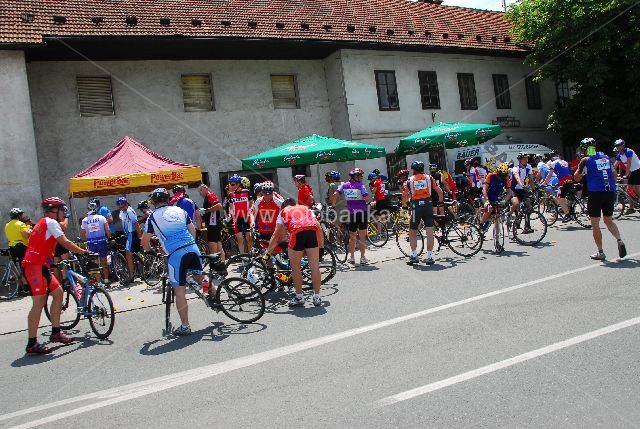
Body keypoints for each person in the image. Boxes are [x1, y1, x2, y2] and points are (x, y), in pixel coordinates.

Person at [22, 197, 91, 354]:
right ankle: (31, 343)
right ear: (54, 210)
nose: (64, 213)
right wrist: (84, 252)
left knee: (58, 294)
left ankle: (56, 333)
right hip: (35, 266)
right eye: (62, 209)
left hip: (42, 265)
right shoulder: (50, 222)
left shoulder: (46, 222)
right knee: (39, 302)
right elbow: (65, 242)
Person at [142, 188, 204, 335]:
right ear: (168, 199)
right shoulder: (179, 210)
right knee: (201, 277)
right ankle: (214, 298)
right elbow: (193, 230)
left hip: (176, 255)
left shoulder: (152, 217)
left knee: (179, 290)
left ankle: (185, 326)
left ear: (154, 202)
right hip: (193, 248)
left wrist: (149, 250)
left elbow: (145, 241)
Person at [263, 199, 323, 307]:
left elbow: (276, 235)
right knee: (315, 267)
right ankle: (317, 297)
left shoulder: (283, 212)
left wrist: (268, 253)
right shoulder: (305, 208)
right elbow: (318, 227)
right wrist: (321, 248)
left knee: (296, 268)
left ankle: (299, 296)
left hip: (297, 233)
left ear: (284, 207)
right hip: (311, 232)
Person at [574, 138, 627, 260]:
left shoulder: (585, 160)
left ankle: (601, 252)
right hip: (609, 192)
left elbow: (576, 178)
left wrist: (582, 171)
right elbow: (614, 175)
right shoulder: (606, 158)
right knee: (608, 220)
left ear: (584, 149)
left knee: (595, 224)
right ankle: (619, 240)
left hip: (595, 193)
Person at [402, 160, 443, 265]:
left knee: (412, 231)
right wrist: (440, 203)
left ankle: (414, 255)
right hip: (428, 205)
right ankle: (429, 256)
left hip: (416, 207)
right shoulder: (429, 178)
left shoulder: (410, 180)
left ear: (413, 170)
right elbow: (439, 191)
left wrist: (405, 206)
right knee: (429, 231)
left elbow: (404, 195)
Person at [331, 168, 370, 265]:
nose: (361, 178)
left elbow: (335, 194)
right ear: (356, 177)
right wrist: (368, 201)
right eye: (360, 176)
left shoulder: (344, 185)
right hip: (362, 212)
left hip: (352, 213)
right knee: (362, 236)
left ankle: (352, 257)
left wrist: (333, 204)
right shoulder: (361, 186)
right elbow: (366, 198)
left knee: (352, 236)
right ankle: (362, 257)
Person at [80, 200, 111, 285]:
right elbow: (107, 230)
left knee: (94, 262)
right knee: (104, 261)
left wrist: (88, 239)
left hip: (91, 242)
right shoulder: (102, 218)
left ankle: (98, 282)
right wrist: (110, 238)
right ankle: (106, 279)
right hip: (102, 241)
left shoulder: (84, 220)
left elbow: (82, 233)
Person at [478, 163, 513, 231]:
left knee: (497, 214)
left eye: (503, 176)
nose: (500, 178)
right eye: (500, 175)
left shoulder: (506, 179)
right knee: (489, 209)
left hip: (495, 198)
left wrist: (505, 200)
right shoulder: (491, 175)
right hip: (486, 196)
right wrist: (487, 201)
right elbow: (484, 189)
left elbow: (509, 192)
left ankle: (496, 235)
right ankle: (480, 225)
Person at [4, 208, 32, 292]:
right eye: (21, 215)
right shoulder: (20, 224)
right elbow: (26, 235)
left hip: (11, 248)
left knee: (16, 268)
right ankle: (27, 286)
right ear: (18, 216)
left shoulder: (7, 225)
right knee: (24, 267)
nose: (22, 216)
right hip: (21, 247)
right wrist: (29, 228)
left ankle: (20, 288)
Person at [116, 196, 142, 282]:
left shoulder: (129, 211)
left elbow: (136, 224)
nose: (121, 208)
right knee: (133, 253)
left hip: (132, 233)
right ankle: (138, 270)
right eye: (120, 206)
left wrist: (140, 237)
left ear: (126, 204)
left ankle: (131, 275)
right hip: (128, 233)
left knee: (128, 254)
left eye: (123, 206)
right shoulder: (122, 212)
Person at [542, 151, 573, 222]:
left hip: (564, 181)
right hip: (570, 179)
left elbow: (550, 175)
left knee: (560, 198)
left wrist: (544, 183)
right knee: (565, 196)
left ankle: (568, 215)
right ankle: (569, 207)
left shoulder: (553, 163)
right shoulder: (564, 161)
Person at [197, 183, 225, 259]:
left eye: (201, 190)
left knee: (213, 246)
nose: (200, 193)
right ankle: (223, 265)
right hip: (213, 224)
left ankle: (216, 264)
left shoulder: (210, 195)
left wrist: (206, 210)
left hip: (213, 224)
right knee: (219, 246)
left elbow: (219, 205)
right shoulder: (207, 197)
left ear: (206, 189)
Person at [228, 174, 253, 253]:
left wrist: (250, 213)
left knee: (249, 238)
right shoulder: (231, 195)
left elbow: (252, 204)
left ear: (239, 184)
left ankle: (251, 256)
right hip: (236, 218)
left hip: (246, 217)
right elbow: (231, 207)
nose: (231, 186)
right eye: (230, 184)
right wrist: (229, 216)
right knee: (240, 239)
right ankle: (242, 258)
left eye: (233, 184)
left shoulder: (246, 192)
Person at [613, 139, 640, 214]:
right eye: (616, 146)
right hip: (632, 171)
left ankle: (638, 202)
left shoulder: (629, 151)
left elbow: (629, 164)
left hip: (638, 169)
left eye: (619, 145)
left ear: (623, 145)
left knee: (637, 188)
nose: (617, 147)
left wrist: (626, 175)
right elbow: (615, 166)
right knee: (628, 189)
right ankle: (631, 208)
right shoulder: (619, 155)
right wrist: (610, 173)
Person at [510, 152, 536, 217]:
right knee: (516, 203)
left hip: (523, 189)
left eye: (527, 158)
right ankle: (509, 214)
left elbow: (531, 179)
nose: (526, 160)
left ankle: (527, 223)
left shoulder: (529, 167)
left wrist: (534, 189)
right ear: (519, 160)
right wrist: (522, 185)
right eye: (524, 159)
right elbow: (517, 177)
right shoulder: (515, 168)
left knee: (528, 204)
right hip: (514, 189)